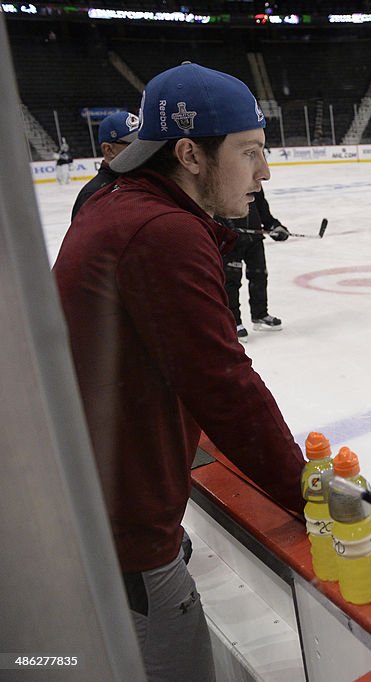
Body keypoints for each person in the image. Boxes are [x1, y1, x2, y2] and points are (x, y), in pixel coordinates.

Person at [51, 62, 306, 682]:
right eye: (250, 154)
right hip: (124, 531)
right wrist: (310, 492)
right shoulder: (160, 232)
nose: (264, 173)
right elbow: (225, 386)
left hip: (94, 502)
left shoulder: (116, 199)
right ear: (190, 153)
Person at [218, 187, 290, 341]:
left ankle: (260, 315)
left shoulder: (252, 180)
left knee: (259, 276)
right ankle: (234, 322)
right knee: (231, 282)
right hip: (230, 241)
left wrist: (273, 226)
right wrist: (222, 228)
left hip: (254, 240)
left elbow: (262, 206)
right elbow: (210, 208)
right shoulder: (221, 177)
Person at [71, 111, 140, 218]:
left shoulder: (148, 178)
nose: (143, 148)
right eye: (134, 144)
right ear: (108, 150)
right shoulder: (93, 195)